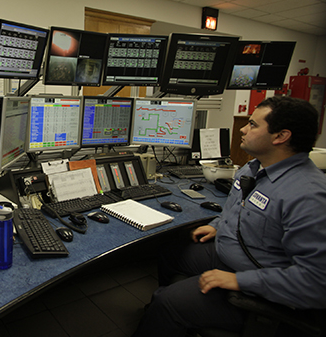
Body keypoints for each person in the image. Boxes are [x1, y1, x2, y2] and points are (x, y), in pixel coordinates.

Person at [133, 96, 326, 336]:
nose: (243, 129)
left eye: (253, 125)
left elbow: (317, 282)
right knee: (171, 251)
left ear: (280, 136)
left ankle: (167, 313)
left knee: (168, 302)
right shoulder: (253, 168)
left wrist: (240, 281)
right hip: (232, 255)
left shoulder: (308, 196)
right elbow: (238, 209)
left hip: (263, 287)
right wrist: (217, 225)